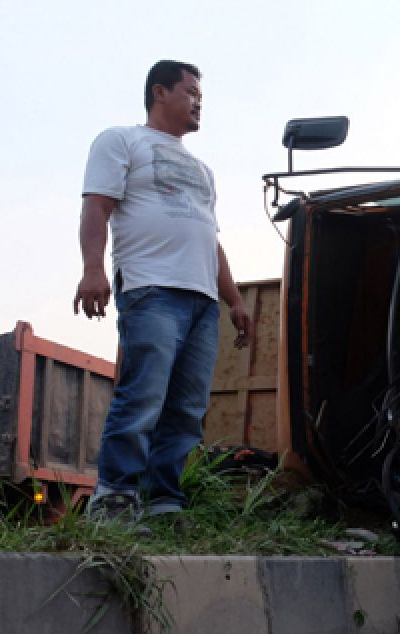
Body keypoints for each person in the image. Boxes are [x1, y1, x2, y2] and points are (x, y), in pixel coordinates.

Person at [73, 60, 252, 525]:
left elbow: (210, 238)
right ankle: (114, 497)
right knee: (143, 396)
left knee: (188, 409)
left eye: (202, 97)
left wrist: (233, 300)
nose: (198, 103)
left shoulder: (202, 169)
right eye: (191, 92)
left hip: (202, 303)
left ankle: (162, 503)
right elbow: (96, 206)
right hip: (151, 289)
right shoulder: (121, 140)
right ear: (160, 92)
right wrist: (93, 270)